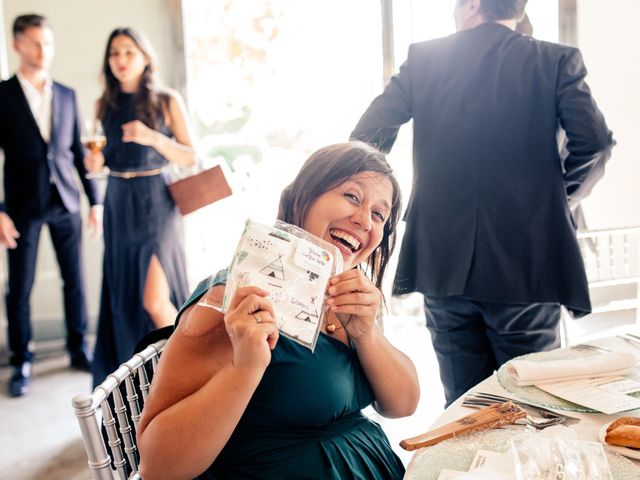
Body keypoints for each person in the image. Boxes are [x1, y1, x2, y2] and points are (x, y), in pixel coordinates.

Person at [351, 0, 615, 407]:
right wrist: (553, 200)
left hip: (442, 263)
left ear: (472, 3)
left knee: (465, 408)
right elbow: (594, 144)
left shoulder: (425, 59)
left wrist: (372, 204)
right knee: (535, 407)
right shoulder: (555, 60)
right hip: (525, 268)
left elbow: (368, 136)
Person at [136, 141, 419, 479]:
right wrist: (246, 368)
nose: (363, 220)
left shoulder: (348, 296)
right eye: (352, 196)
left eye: (378, 214)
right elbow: (159, 467)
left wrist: (367, 333)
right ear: (303, 196)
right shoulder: (231, 300)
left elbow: (402, 405)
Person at [85, 28, 196, 387]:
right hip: (118, 199)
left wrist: (153, 137)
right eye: (114, 53)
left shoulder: (166, 100)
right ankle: (141, 386)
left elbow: (191, 156)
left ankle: (184, 378)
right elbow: (99, 164)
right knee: (126, 299)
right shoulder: (105, 105)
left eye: (128, 52)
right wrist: (93, 161)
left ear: (145, 57)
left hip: (156, 201)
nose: (120, 60)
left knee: (155, 300)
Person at [0, 14, 102, 397]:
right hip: (21, 207)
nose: (44, 51)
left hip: (66, 202)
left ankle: (79, 348)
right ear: (17, 45)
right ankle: (21, 359)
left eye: (49, 43)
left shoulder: (66, 95)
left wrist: (96, 202)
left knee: (74, 280)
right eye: (35, 43)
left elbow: (77, 154)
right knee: (19, 288)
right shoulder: (3, 95)